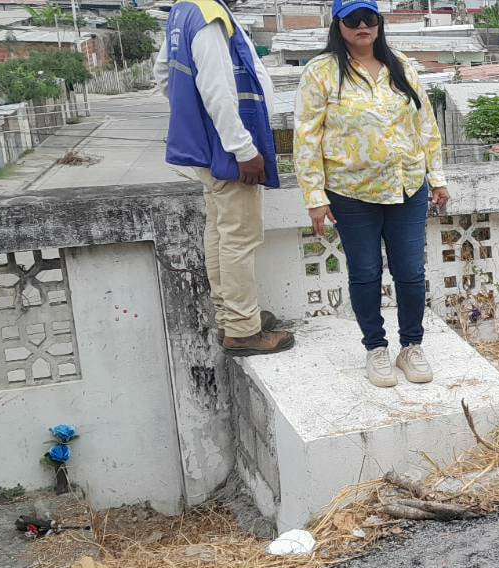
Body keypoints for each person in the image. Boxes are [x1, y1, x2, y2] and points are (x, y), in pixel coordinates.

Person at [293, 0, 450, 388]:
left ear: (379, 23)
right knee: (365, 272)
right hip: (351, 193)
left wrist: (437, 177)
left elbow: (425, 126)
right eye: (352, 19)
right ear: (339, 25)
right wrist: (315, 196)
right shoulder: (322, 72)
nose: (362, 25)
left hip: (407, 187)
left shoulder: (401, 65)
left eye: (370, 18)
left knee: (410, 272)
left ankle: (411, 345)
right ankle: (376, 348)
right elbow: (306, 137)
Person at [156, 0, 293, 356]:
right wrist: (243, 149)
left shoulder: (184, 10)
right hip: (227, 148)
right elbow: (217, 89)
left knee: (219, 231)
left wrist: (196, 120)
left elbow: (164, 76)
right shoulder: (208, 16)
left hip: (209, 143)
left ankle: (231, 317)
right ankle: (243, 329)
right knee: (239, 236)